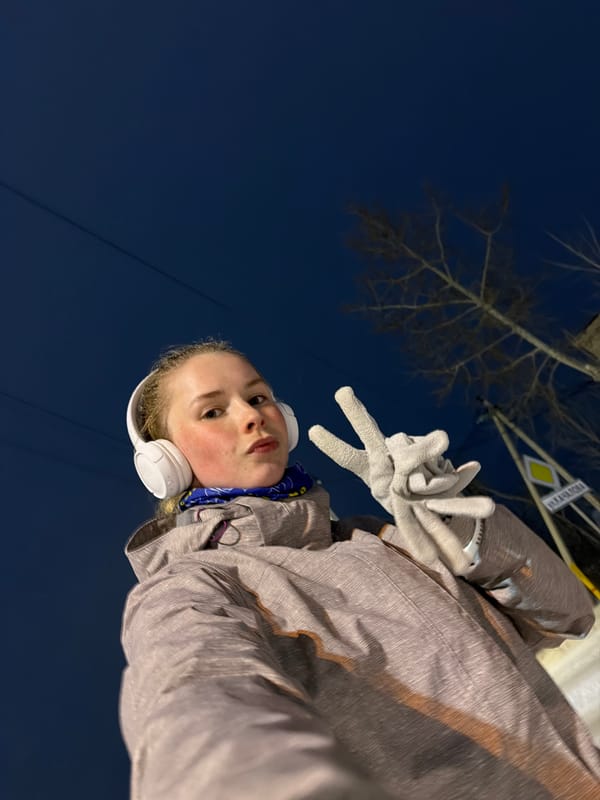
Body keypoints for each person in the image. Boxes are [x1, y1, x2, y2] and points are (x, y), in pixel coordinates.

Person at [119, 339, 600, 800]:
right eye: (213, 411)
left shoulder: (383, 539)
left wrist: (453, 519)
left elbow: (566, 614)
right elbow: (196, 706)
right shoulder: (193, 589)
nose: (251, 416)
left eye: (258, 396)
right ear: (168, 462)